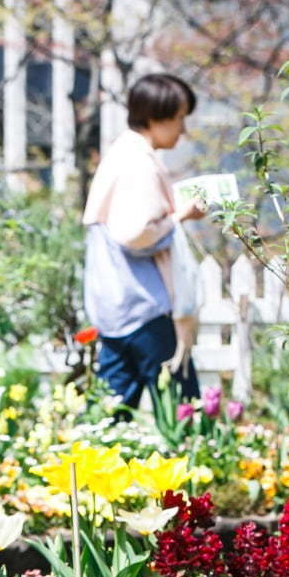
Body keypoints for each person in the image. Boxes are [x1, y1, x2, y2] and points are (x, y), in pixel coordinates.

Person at [81, 73, 206, 409]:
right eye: (179, 118)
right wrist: (180, 216)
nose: (183, 129)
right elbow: (134, 233)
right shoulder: (139, 164)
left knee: (110, 411)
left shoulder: (121, 154)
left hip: (114, 307)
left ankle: (80, 461)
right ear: (155, 118)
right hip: (143, 305)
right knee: (183, 410)